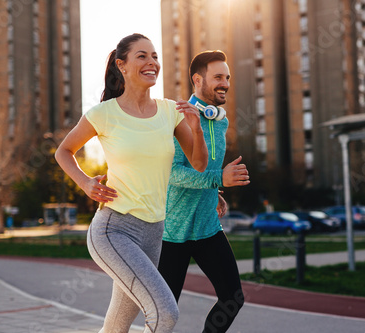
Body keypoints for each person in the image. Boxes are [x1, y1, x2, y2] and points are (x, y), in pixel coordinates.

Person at [55, 33, 208, 333]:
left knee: (116, 326)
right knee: (165, 313)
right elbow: (64, 151)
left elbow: (199, 164)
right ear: (121, 66)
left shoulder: (169, 112)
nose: (152, 62)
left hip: (154, 232)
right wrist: (86, 184)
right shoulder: (104, 114)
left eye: (154, 56)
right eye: (142, 56)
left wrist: (197, 129)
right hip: (114, 230)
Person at [158, 50, 250, 333]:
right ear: (198, 80)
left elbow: (205, 167)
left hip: (208, 227)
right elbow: (172, 174)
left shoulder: (220, 120)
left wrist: (216, 191)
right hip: (173, 232)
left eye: (228, 77)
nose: (226, 83)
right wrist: (217, 179)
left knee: (233, 298)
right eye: (218, 77)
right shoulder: (177, 118)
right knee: (165, 312)